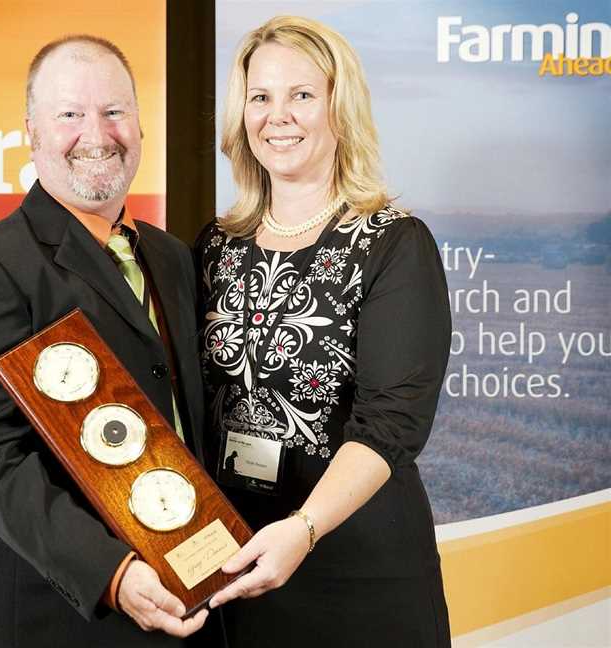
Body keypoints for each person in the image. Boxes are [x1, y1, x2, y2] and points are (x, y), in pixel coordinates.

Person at [0, 35, 210, 647]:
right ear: (32, 132)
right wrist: (113, 573)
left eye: (114, 111)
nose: (97, 133)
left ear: (139, 122)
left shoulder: (172, 258)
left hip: (184, 604)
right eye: (70, 115)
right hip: (52, 618)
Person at [196, 16, 452, 646]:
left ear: (341, 110)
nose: (277, 116)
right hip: (233, 561)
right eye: (261, 97)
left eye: (301, 95)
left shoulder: (394, 243)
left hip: (353, 566)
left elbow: (392, 424)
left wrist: (304, 528)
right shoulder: (212, 246)